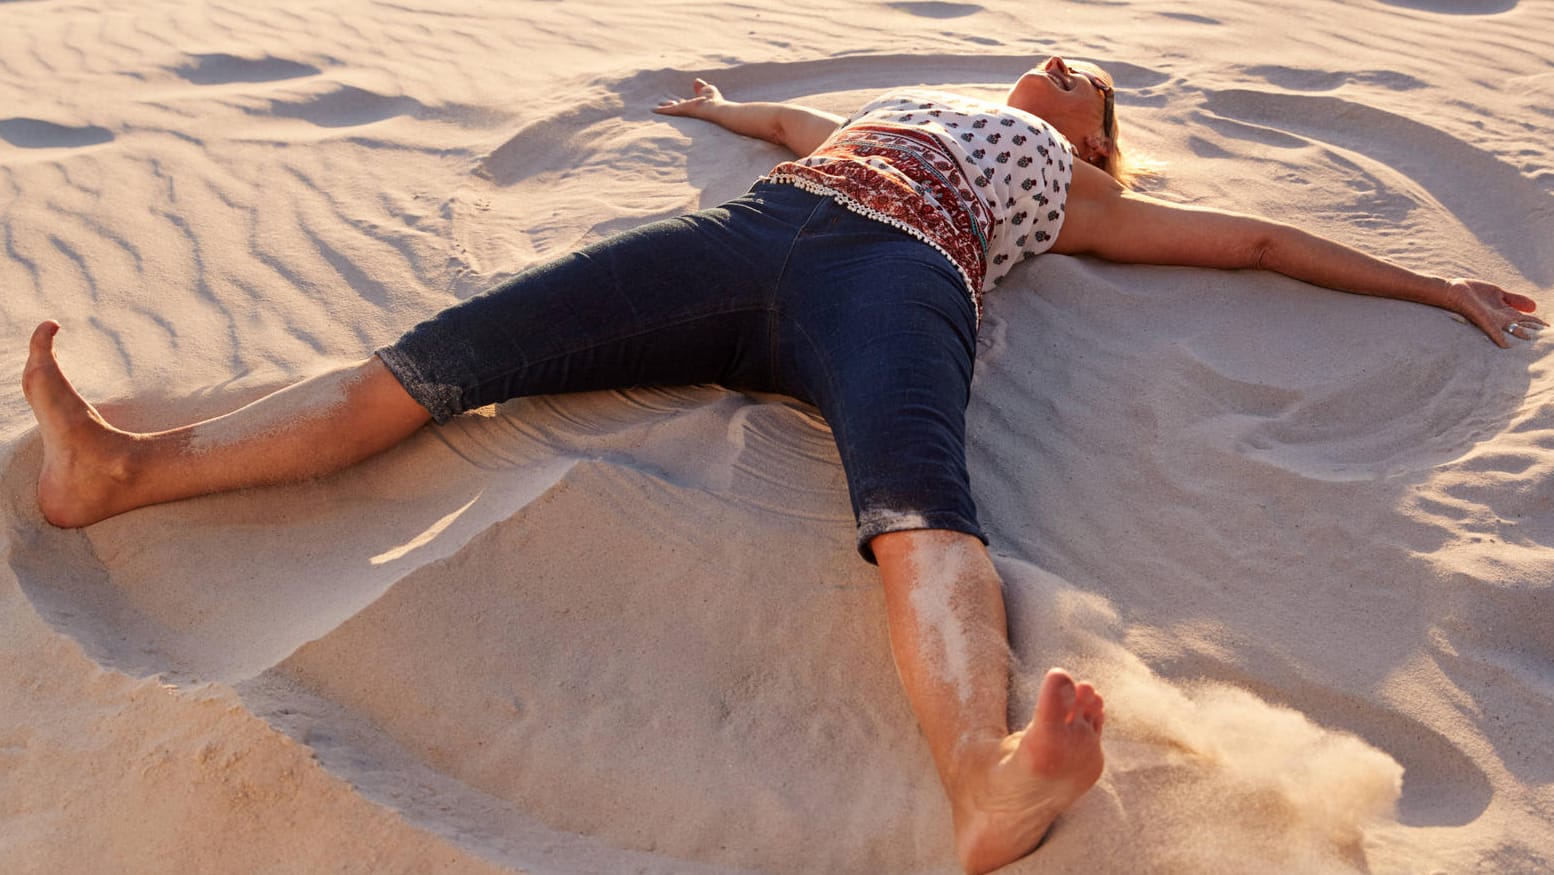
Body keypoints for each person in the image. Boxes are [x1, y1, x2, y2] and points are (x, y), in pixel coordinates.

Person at [21, 55, 1544, 874]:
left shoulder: (1070, 194)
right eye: (1056, 61)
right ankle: (125, 479)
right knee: (447, 359)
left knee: (919, 499)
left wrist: (1438, 290)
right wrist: (717, 110)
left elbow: (1260, 240)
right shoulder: (913, 108)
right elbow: (786, 122)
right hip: (749, 236)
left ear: (1095, 142)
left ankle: (978, 784)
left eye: (1086, 81)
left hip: (899, 287)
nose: (1060, 61)